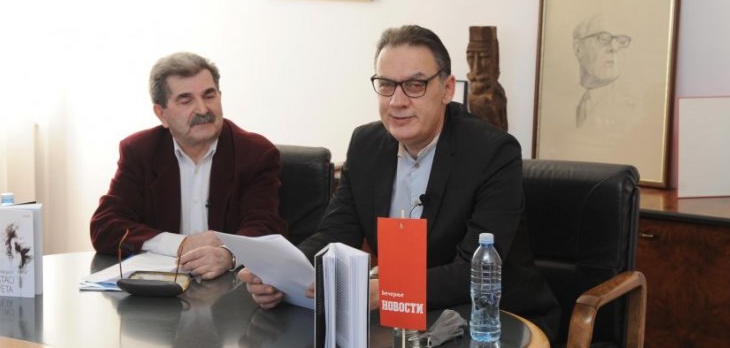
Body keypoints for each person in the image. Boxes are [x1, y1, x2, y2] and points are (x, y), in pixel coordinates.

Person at [240, 25, 560, 343]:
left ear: (447, 89)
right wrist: (282, 274)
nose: (397, 101)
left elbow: (474, 271)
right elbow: (335, 233)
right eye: (386, 85)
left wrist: (386, 291)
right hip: (399, 325)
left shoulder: (492, 152)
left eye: (414, 85)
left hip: (492, 321)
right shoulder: (366, 144)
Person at [90, 52, 287, 280]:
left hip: (231, 288)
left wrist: (229, 255)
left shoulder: (254, 153)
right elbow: (105, 227)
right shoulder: (141, 151)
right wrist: (179, 244)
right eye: (186, 100)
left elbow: (266, 228)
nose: (202, 110)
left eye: (209, 96)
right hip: (161, 291)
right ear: (161, 114)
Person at [572, 14, 637, 130]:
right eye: (603, 38)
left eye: (622, 41)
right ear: (578, 49)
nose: (614, 47)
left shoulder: (634, 108)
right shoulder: (557, 101)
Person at [466, 25, 508, 132]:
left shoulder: (496, 98)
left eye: (484, 57)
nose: (476, 68)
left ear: (495, 60)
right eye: (470, 57)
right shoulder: (472, 95)